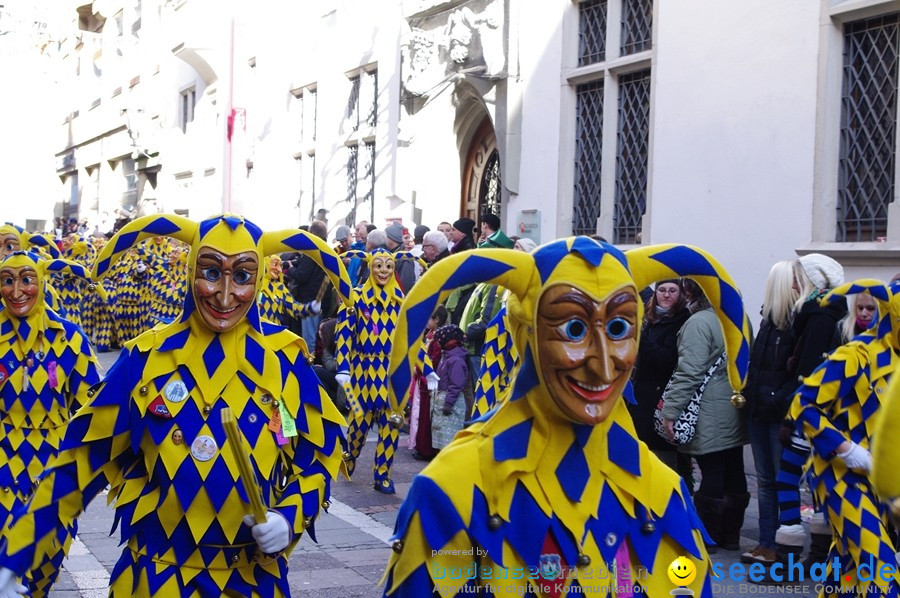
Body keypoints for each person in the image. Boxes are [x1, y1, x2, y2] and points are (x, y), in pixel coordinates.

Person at [0, 213, 351, 597]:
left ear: (260, 278)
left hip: (252, 579)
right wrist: (15, 556)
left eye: (243, 276)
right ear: (191, 269)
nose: (225, 294)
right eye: (212, 273)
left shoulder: (283, 361)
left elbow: (320, 451)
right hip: (155, 577)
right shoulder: (146, 358)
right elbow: (81, 460)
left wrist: (290, 516)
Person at [383, 239, 752, 596]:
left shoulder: (663, 495)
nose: (604, 364)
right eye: (572, 329)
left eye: (620, 327)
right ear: (526, 333)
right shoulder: (452, 493)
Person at [790, 279, 900, 597]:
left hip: (881, 477)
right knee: (879, 567)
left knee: (848, 564)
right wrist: (847, 449)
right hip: (840, 475)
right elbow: (803, 404)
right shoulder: (856, 354)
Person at [0, 251, 101, 597]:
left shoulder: (69, 338)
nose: (17, 291)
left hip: (53, 463)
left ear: (41, 283)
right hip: (2, 457)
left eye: (26, 280)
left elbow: (92, 406)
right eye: (8, 281)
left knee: (47, 554)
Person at [335, 248, 438, 494]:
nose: (383, 271)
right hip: (360, 375)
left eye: (388, 266)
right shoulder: (356, 298)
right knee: (358, 426)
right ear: (370, 267)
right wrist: (342, 368)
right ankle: (349, 457)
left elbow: (412, 339)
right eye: (378, 266)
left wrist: (428, 369)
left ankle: (383, 475)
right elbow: (344, 336)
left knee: (391, 424)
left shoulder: (401, 300)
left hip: (392, 374)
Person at [660, 279, 749, 554]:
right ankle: (731, 535)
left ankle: (707, 536)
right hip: (734, 402)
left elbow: (690, 370)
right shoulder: (737, 318)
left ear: (690, 292)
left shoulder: (699, 323)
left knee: (711, 469)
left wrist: (670, 410)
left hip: (709, 406)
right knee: (733, 468)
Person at [774, 254, 846, 566]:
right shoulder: (825, 312)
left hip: (810, 414)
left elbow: (810, 374)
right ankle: (817, 557)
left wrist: (792, 416)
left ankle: (790, 556)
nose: (792, 282)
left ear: (813, 281)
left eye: (798, 276)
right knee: (816, 482)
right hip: (821, 413)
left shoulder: (819, 316)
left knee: (788, 478)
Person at [740, 261, 800, 565]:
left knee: (781, 480)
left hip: (777, 413)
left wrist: (778, 400)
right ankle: (766, 543)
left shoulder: (795, 324)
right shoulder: (767, 322)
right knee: (765, 480)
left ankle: (784, 546)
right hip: (759, 410)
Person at [627, 279, 693, 487]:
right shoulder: (650, 318)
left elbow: (666, 361)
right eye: (662, 290)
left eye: (672, 291)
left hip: (661, 401)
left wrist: (641, 337)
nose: (666, 295)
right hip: (640, 398)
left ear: (680, 294)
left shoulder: (682, 322)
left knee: (663, 464)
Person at [409, 305, 447, 461]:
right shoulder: (431, 335)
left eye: (430, 317)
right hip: (422, 380)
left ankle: (425, 449)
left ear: (437, 320)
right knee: (419, 414)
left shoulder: (437, 339)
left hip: (428, 382)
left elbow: (434, 360)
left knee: (425, 417)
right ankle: (419, 445)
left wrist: (424, 370)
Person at [430, 324, 469, 449]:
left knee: (448, 441)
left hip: (451, 404)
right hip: (444, 400)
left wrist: (448, 403)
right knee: (441, 437)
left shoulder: (456, 360)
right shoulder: (447, 356)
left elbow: (456, 384)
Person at [384, 222, 417, 293]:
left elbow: (405, 285)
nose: (384, 239)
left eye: (386, 236)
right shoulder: (392, 254)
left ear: (392, 238)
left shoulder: (404, 258)